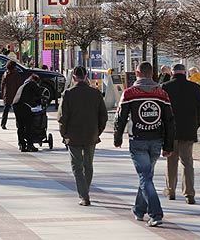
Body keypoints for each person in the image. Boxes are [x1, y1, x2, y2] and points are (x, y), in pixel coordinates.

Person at [114, 62, 175, 228]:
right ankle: (139, 210)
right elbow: (169, 121)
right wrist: (168, 145)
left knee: (145, 177)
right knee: (146, 176)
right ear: (152, 74)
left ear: (136, 73)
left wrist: (117, 137)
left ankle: (155, 213)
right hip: (156, 141)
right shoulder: (161, 94)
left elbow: (121, 117)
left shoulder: (129, 93)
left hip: (138, 140)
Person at [58, 66, 108, 206]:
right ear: (86, 76)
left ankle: (83, 195)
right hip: (91, 134)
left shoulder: (68, 94)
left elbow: (62, 117)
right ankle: (85, 190)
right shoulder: (95, 93)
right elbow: (103, 116)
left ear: (73, 77)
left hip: (73, 135)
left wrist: (64, 134)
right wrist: (98, 131)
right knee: (88, 164)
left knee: (76, 166)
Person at [162, 64, 200, 204]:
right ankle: (189, 194)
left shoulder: (165, 87)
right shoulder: (195, 87)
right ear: (185, 73)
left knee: (171, 161)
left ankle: (171, 191)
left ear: (172, 73)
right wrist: (195, 125)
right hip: (188, 130)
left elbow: (161, 110)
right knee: (187, 162)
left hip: (170, 131)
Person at [12, 74, 42, 152]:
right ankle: (30, 145)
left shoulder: (24, 84)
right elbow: (39, 94)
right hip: (24, 105)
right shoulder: (32, 83)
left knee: (20, 126)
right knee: (29, 125)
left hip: (16, 104)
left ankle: (21, 144)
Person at [1, 60, 22, 130]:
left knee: (6, 110)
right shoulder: (16, 74)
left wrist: (2, 94)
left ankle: (3, 123)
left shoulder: (5, 74)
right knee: (17, 111)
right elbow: (19, 85)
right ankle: (18, 124)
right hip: (15, 94)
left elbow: (2, 85)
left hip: (7, 94)